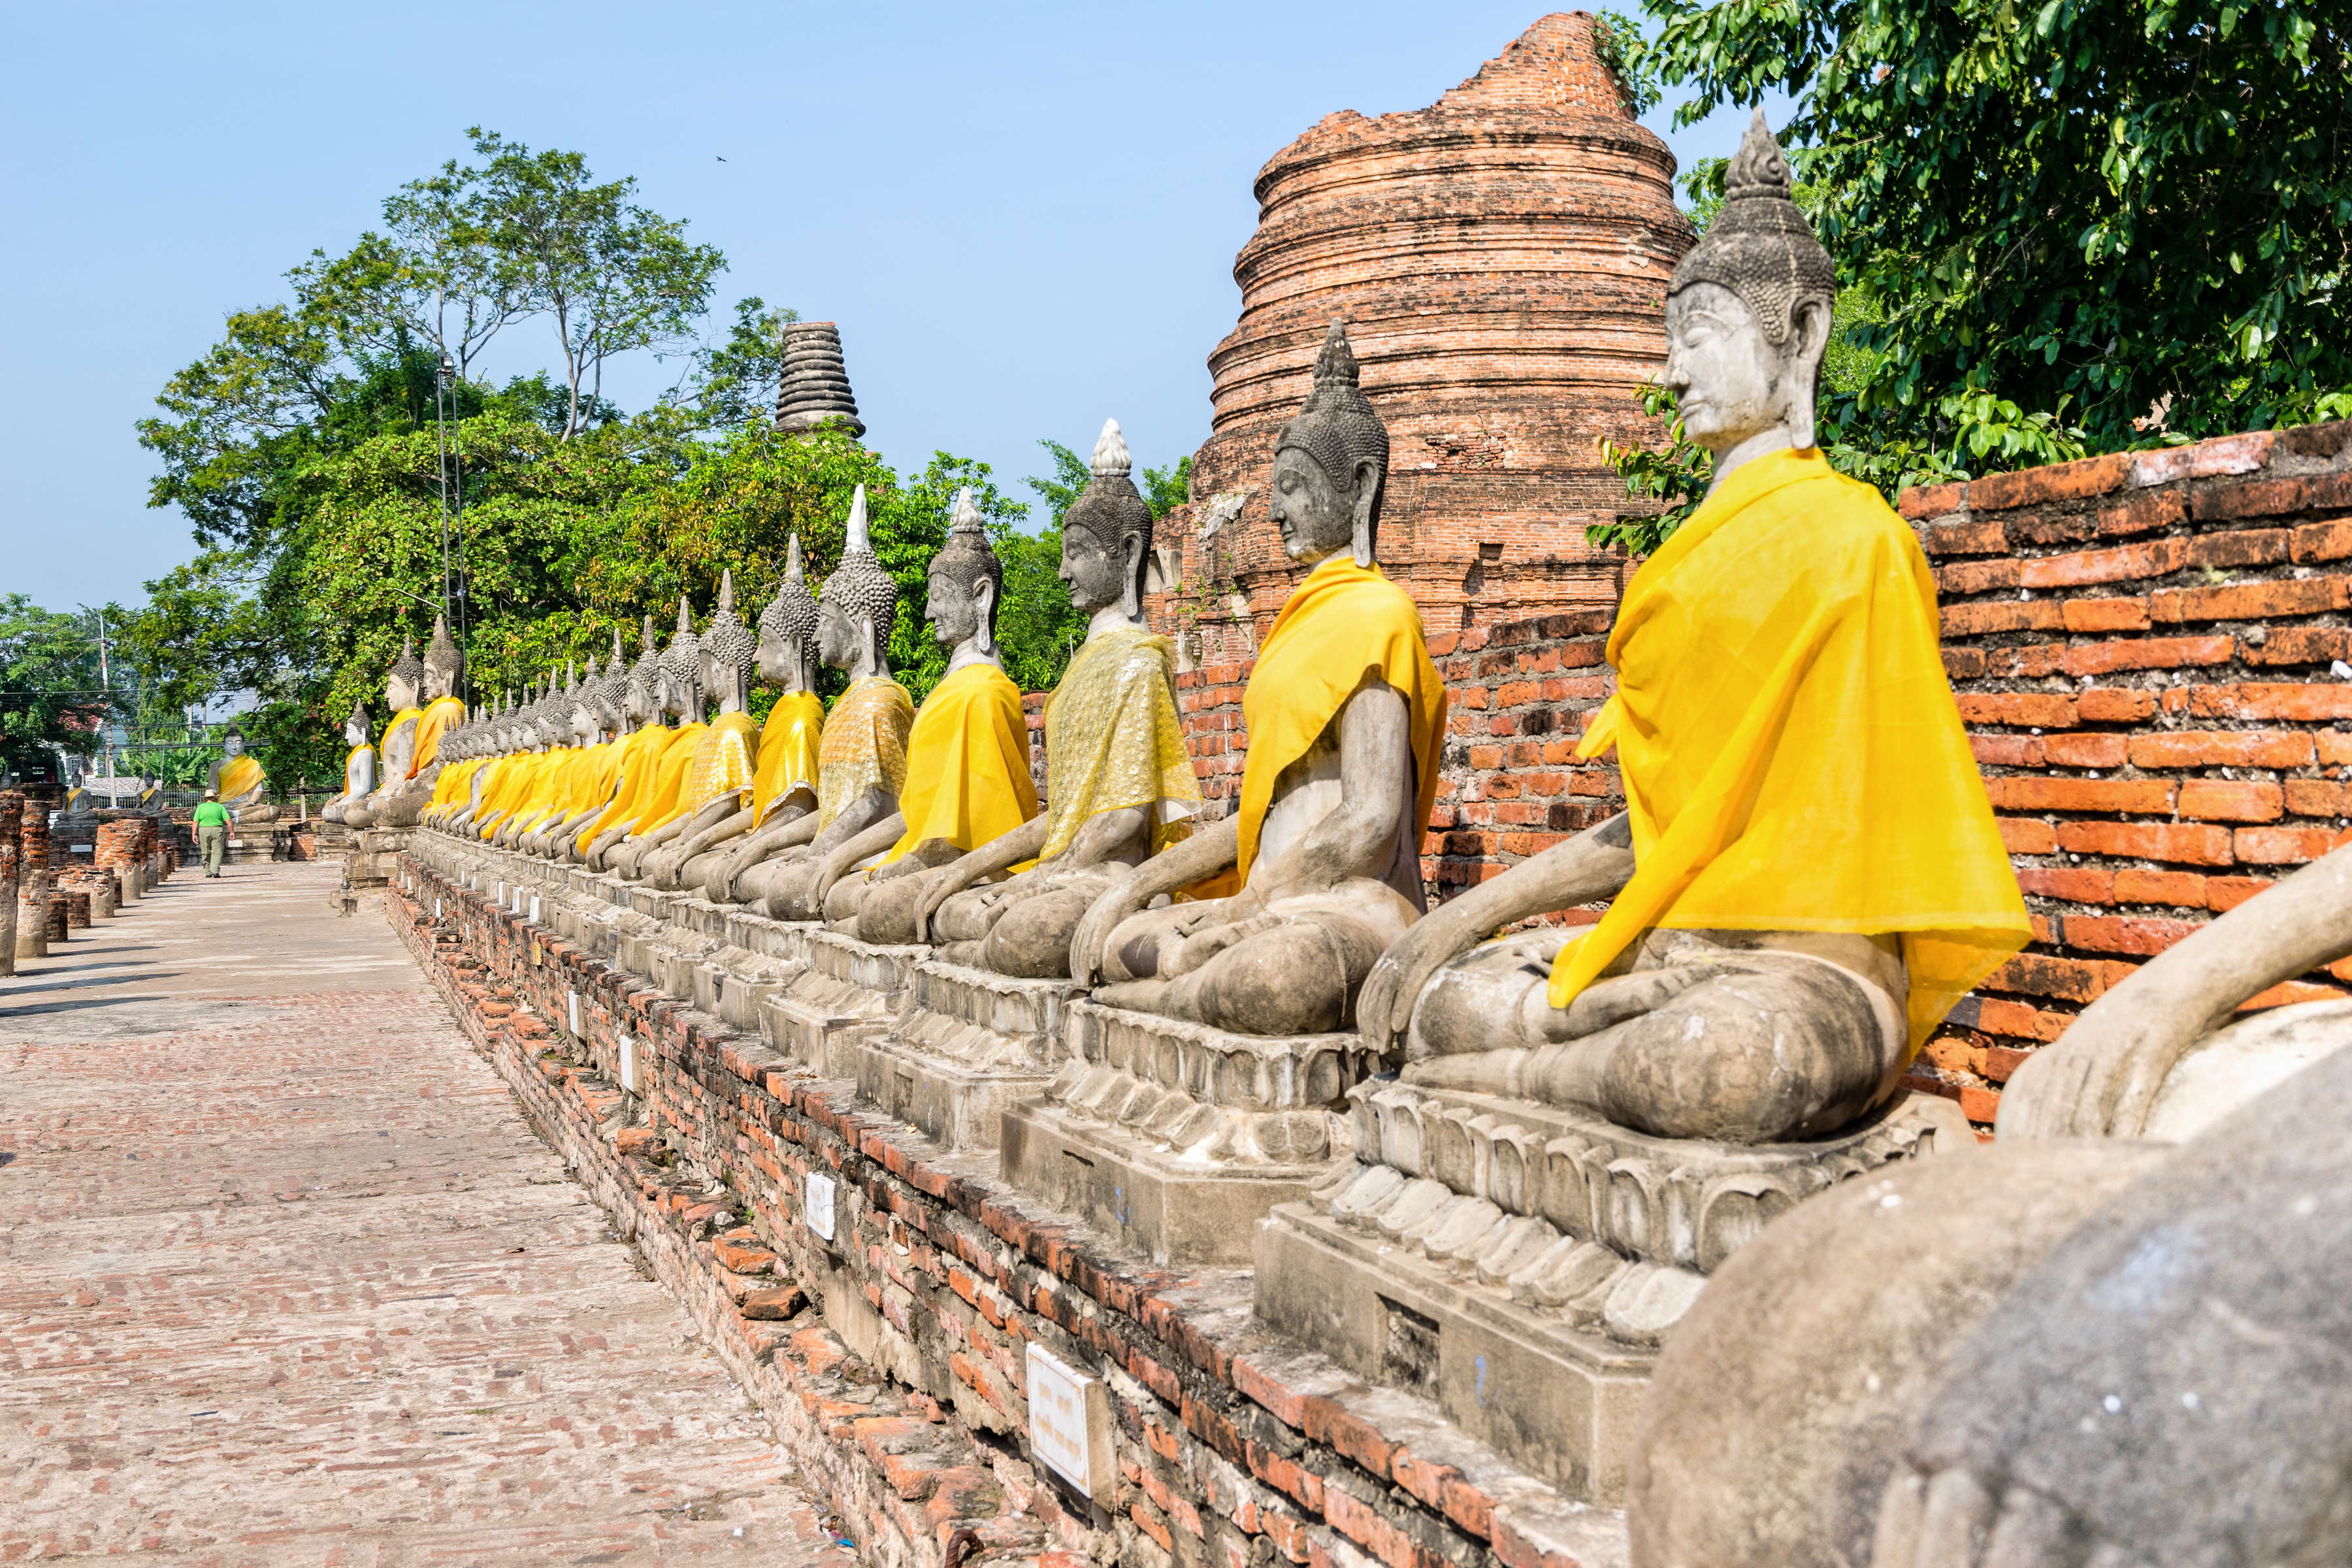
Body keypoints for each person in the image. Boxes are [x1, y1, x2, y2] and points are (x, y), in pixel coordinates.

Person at [194, 789, 231, 877]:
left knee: (205, 851)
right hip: (217, 830)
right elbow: (228, 820)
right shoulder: (220, 807)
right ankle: (215, 871)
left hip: (204, 830)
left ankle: (208, 872)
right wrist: (232, 831)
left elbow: (195, 821)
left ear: (205, 799)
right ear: (215, 798)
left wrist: (194, 834)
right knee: (217, 851)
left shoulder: (200, 807)